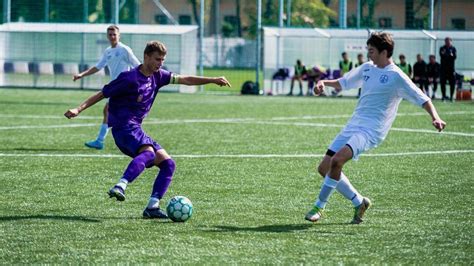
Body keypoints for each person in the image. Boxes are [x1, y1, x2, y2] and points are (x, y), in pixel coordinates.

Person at [64, 41, 231, 219]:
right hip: (123, 129)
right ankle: (121, 185)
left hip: (136, 128)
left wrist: (212, 79)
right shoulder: (129, 78)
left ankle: (152, 206)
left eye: (162, 60)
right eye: (157, 59)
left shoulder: (158, 76)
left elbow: (185, 79)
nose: (160, 63)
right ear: (146, 57)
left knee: (168, 164)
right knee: (149, 153)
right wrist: (78, 109)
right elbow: (102, 93)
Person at [306, 32, 446, 224]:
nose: (368, 53)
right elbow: (344, 83)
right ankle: (359, 202)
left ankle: (319, 207)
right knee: (324, 168)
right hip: (354, 124)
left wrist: (435, 117)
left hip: (371, 131)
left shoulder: (396, 76)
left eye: (371, 50)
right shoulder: (367, 68)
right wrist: (323, 83)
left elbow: (422, 98)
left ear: (384, 51)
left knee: (337, 161)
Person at [73, 25, 141, 150]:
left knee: (111, 112)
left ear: (119, 35)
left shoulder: (124, 49)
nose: (112, 36)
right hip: (115, 87)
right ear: (107, 36)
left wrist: (138, 82)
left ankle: (103, 140)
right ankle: (102, 140)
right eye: (110, 34)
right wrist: (81, 74)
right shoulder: (108, 51)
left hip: (124, 87)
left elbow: (137, 65)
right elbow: (98, 67)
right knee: (110, 112)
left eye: (114, 34)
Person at [439, 37, 457, 102]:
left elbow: (454, 57)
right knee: (442, 83)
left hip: (451, 69)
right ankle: (443, 96)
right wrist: (449, 55)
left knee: (452, 83)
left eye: (448, 41)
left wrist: (448, 55)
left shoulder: (453, 48)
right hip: (443, 69)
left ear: (451, 41)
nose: (447, 42)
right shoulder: (442, 48)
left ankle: (451, 97)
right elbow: (442, 55)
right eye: (446, 41)